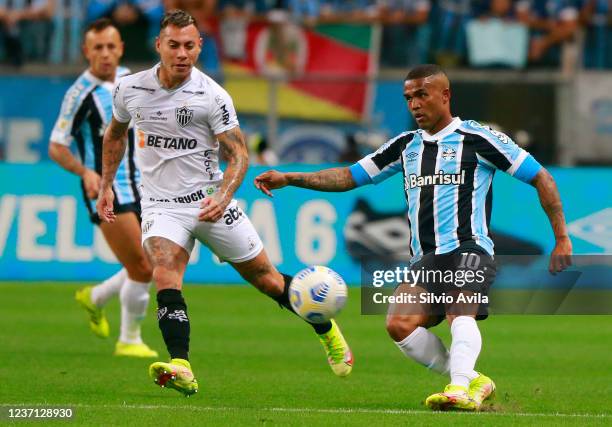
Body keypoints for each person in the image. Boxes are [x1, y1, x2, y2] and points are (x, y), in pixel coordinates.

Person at [254, 64, 573, 411]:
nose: (415, 104)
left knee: (458, 309)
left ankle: (459, 388)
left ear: (445, 95)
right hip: (426, 259)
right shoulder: (405, 146)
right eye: (408, 98)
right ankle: (472, 380)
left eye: (422, 95)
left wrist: (561, 237)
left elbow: (541, 177)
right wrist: (291, 178)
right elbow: (347, 177)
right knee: (399, 324)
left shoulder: (477, 138)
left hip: (471, 248)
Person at [97, 9, 353, 397]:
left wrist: (224, 195)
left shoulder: (212, 95)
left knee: (267, 280)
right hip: (161, 205)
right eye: (173, 45)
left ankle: (324, 327)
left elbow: (239, 155)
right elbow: (115, 134)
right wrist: (106, 185)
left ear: (199, 46)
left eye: (189, 46)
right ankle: (181, 364)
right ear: (159, 45)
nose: (181, 54)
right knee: (165, 270)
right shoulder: (130, 89)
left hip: (209, 202)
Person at [49, 18, 157, 359]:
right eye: (98, 48)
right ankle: (129, 339)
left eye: (111, 47)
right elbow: (57, 146)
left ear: (121, 48)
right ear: (86, 52)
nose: (105, 54)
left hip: (143, 186)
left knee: (153, 259)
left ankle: (95, 298)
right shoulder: (79, 95)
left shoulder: (130, 80)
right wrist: (84, 172)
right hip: (106, 190)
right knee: (142, 267)